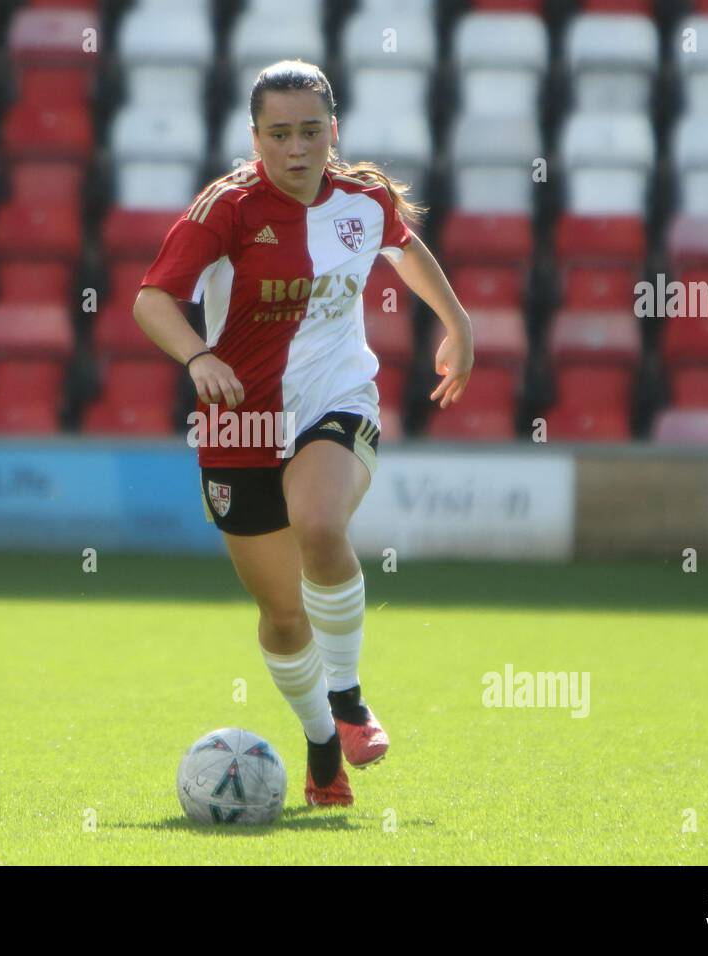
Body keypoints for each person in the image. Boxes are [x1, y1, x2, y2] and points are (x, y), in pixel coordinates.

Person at [134, 60, 473, 807]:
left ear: (334, 131)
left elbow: (404, 247)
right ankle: (322, 746)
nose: (297, 149)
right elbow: (153, 299)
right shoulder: (224, 208)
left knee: (320, 523)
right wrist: (198, 356)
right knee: (284, 615)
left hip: (336, 400)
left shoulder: (363, 198)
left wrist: (457, 321)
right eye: (280, 134)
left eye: (311, 131)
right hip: (242, 421)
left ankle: (349, 700)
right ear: (255, 138)